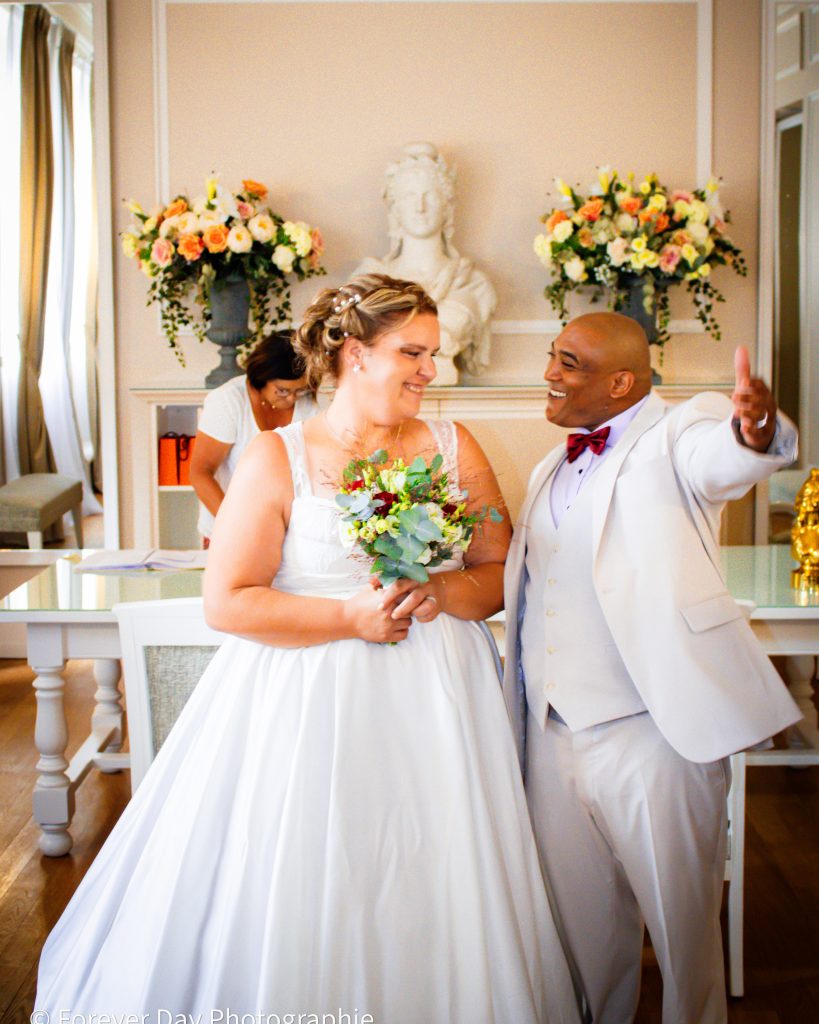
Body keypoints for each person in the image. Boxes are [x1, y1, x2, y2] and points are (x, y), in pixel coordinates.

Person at [35, 275, 584, 1024]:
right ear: (355, 353)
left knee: (436, 868)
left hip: (439, 695)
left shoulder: (456, 446)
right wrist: (349, 618)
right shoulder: (274, 456)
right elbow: (227, 600)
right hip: (302, 698)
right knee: (306, 867)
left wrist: (439, 594)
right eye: (413, 352)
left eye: (434, 353)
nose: (430, 370)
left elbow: (494, 573)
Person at [502, 311, 802, 1024]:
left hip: (653, 732)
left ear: (621, 383)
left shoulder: (677, 432)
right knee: (580, 934)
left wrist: (754, 432)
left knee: (680, 934)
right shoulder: (552, 463)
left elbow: (722, 457)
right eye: (552, 354)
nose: (548, 372)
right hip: (552, 735)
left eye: (567, 362)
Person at [355, 142, 497, 386]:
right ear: (395, 209)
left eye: (430, 196)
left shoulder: (474, 283)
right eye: (410, 197)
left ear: (446, 207)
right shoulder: (369, 280)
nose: (420, 207)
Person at [190, 330, 318, 544]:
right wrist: (232, 526)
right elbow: (200, 472)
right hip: (229, 529)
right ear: (262, 376)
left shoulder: (307, 405)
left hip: (285, 529)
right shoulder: (228, 401)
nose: (293, 399)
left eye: (300, 390)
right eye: (283, 391)